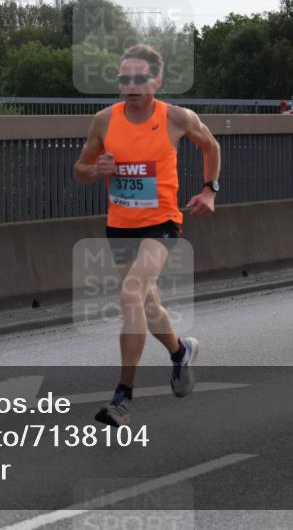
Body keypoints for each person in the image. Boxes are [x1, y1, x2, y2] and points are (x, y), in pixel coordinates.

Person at [73, 43, 221, 426]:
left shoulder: (177, 117)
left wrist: (209, 190)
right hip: (120, 225)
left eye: (140, 78)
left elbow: (211, 145)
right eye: (125, 78)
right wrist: (98, 170)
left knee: (130, 294)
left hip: (162, 223)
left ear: (157, 80)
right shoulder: (105, 120)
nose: (131, 85)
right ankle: (180, 351)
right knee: (148, 306)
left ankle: (122, 397)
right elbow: (80, 170)